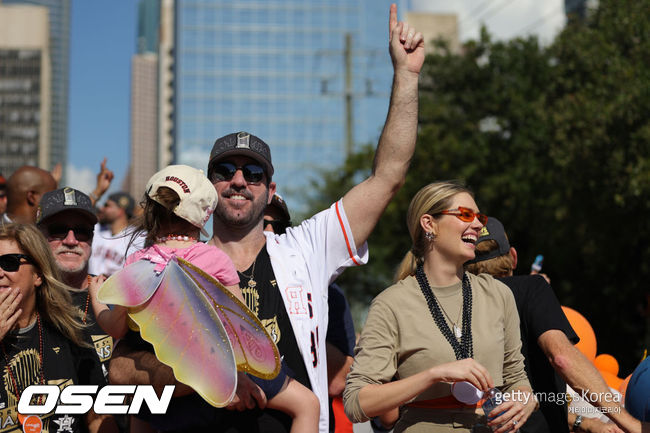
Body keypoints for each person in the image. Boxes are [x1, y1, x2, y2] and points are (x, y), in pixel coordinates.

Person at [109, 5, 424, 433]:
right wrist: (209, 376)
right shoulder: (166, 262)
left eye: (253, 173)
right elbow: (122, 373)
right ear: (206, 187)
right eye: (225, 171)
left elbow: (388, 176)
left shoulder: (307, 249)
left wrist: (406, 76)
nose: (239, 181)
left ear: (270, 190)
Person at [91, 165, 320, 433]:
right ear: (205, 215)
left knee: (141, 418)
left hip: (166, 382)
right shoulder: (215, 259)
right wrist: (238, 377)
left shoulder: (137, 263)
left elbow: (116, 327)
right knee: (308, 405)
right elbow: (242, 328)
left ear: (151, 211)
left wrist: (97, 297)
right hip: (218, 374)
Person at [343, 181, 537, 433]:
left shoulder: (498, 294)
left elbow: (516, 379)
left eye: (480, 216)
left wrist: (524, 401)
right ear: (428, 224)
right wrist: (433, 375)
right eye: (466, 215)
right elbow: (356, 403)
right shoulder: (391, 304)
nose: (478, 224)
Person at [465, 217, 645, 433]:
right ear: (513, 257)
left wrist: (583, 423)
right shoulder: (531, 289)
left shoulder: (455, 302)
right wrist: (631, 424)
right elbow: (562, 359)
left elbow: (531, 401)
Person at [0, 223, 110, 432]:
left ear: (38, 274)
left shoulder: (70, 331)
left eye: (9, 263)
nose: (0, 272)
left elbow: (97, 416)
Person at [264, 193, 357, 433]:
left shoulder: (326, 291)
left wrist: (296, 328)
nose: (268, 232)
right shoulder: (216, 275)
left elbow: (339, 380)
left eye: (278, 227)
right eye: (259, 225)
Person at [35, 187, 114, 374]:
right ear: (38, 236)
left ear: (92, 239)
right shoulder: (23, 295)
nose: (71, 240)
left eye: (81, 231)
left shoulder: (115, 295)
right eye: (58, 230)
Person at [88, 191, 143, 277]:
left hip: (116, 288)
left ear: (120, 211)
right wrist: (99, 190)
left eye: (107, 205)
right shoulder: (97, 230)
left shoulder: (138, 237)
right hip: (89, 285)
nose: (102, 208)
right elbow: (82, 213)